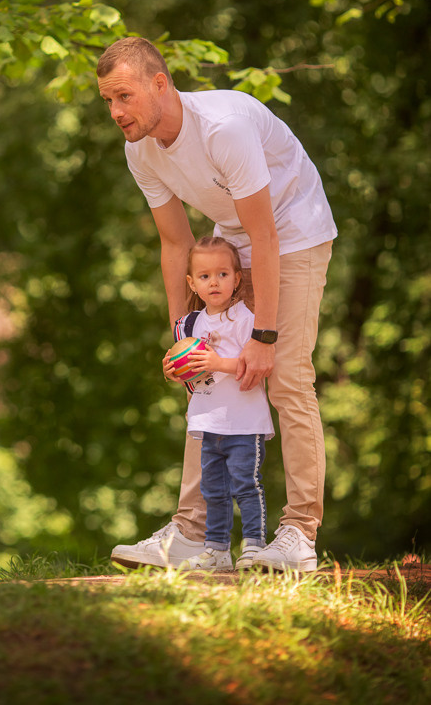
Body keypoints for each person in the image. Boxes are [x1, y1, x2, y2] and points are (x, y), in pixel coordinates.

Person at [96, 36, 336, 572]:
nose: (115, 112)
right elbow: (176, 244)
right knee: (206, 372)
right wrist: (185, 335)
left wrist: (263, 337)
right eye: (107, 101)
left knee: (288, 376)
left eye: (124, 97)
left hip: (293, 231)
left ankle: (298, 533)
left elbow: (266, 237)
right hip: (231, 238)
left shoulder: (222, 129)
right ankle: (190, 534)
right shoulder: (140, 150)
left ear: (160, 84)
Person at [161, 236, 274, 571]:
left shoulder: (246, 319)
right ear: (192, 283)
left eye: (223, 274)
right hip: (208, 421)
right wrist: (171, 370)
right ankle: (217, 550)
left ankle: (254, 544)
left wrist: (216, 363)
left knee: (246, 484)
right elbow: (187, 370)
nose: (214, 282)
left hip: (244, 421)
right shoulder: (190, 324)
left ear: (237, 279)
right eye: (205, 276)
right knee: (213, 489)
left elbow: (253, 364)